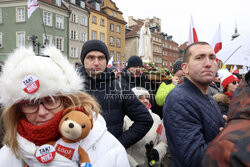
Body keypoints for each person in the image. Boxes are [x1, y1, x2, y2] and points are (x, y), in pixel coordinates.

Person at [0, 46, 130, 167]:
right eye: (29, 104)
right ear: (18, 109)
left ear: (66, 100)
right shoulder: (8, 154)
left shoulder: (106, 146)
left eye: (50, 100)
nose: (42, 112)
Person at [78, 40, 153, 149]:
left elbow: (145, 120)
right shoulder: (70, 87)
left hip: (108, 157)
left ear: (106, 60)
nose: (96, 62)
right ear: (83, 60)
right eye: (90, 57)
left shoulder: (119, 88)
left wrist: (118, 144)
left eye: (101, 58)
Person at [163, 42, 225, 167]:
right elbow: (194, 159)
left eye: (212, 58)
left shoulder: (210, 99)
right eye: (199, 57)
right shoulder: (179, 99)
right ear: (185, 68)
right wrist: (231, 136)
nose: (208, 63)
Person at [202, 70, 250, 167]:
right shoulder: (222, 102)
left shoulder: (238, 100)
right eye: (233, 82)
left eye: (238, 82)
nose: (237, 84)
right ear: (226, 85)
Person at [124, 87, 168, 167]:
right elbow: (118, 146)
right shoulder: (124, 119)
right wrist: (133, 164)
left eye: (147, 98)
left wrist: (157, 152)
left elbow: (163, 140)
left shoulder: (157, 118)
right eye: (140, 98)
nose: (145, 101)